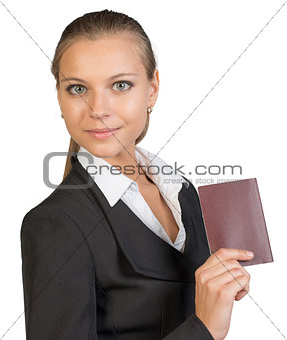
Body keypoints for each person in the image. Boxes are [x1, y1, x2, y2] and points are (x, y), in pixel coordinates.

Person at [20, 9, 253, 340]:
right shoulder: (54, 224)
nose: (98, 109)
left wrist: (220, 289)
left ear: (152, 89)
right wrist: (205, 328)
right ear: (59, 97)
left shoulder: (183, 192)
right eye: (77, 89)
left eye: (120, 85)